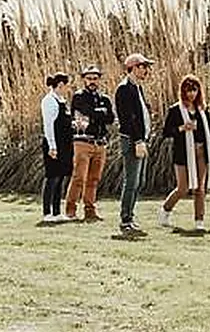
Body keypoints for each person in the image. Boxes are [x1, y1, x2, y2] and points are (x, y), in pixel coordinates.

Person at [158, 74, 210, 232]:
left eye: (194, 90)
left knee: (200, 188)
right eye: (188, 91)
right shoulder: (175, 110)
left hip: (201, 151)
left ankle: (199, 221)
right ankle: (165, 210)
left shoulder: (202, 110)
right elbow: (165, 132)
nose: (191, 94)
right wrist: (181, 128)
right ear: (183, 92)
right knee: (183, 188)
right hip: (183, 153)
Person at [65, 64, 114, 221]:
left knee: (94, 179)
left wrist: (97, 114)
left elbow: (111, 118)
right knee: (79, 177)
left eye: (95, 78)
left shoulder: (104, 98)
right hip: (83, 142)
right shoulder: (79, 96)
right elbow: (88, 112)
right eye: (89, 78)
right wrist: (101, 113)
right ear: (84, 80)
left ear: (99, 79)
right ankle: (70, 210)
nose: (92, 81)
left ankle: (90, 210)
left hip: (100, 143)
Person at [114, 53, 155, 237]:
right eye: (143, 66)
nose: (146, 70)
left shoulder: (137, 88)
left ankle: (130, 217)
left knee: (139, 181)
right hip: (132, 140)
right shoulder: (124, 89)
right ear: (133, 67)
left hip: (141, 139)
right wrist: (138, 141)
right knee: (131, 181)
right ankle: (126, 220)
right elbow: (127, 118)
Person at [39, 72, 74, 223]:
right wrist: (52, 146)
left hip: (65, 144)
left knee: (60, 177)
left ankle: (57, 211)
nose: (68, 88)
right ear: (60, 85)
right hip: (54, 144)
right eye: (67, 85)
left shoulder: (62, 100)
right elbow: (49, 126)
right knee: (52, 177)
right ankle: (47, 213)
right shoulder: (49, 101)